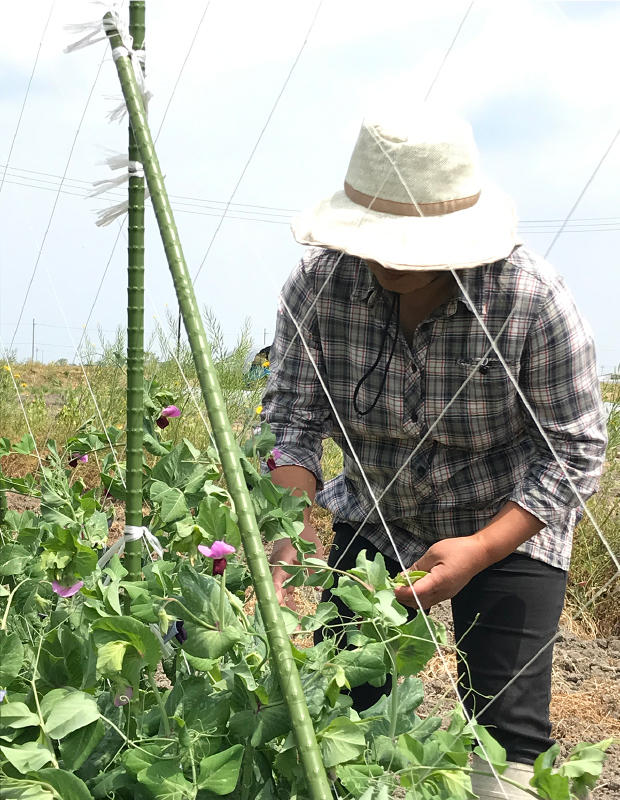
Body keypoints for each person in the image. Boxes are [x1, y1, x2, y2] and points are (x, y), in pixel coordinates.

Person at [261, 107, 607, 799]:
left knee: (508, 736)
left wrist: (479, 549)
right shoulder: (320, 285)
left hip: (506, 522)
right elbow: (293, 419)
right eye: (378, 237)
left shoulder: (527, 298)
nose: (388, 257)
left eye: (410, 242)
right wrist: (290, 527)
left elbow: (576, 451)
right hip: (377, 508)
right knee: (345, 707)